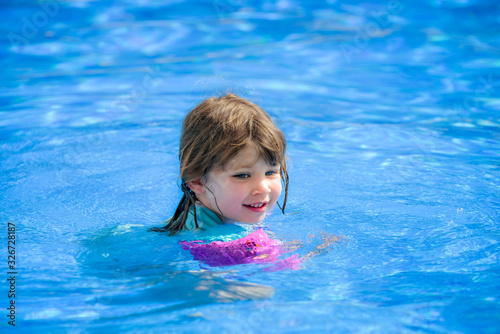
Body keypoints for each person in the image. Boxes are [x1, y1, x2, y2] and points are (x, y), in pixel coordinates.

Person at [151, 93, 289, 235]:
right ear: (197, 181)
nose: (264, 189)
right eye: (242, 175)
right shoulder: (210, 239)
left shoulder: (215, 214)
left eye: (270, 172)